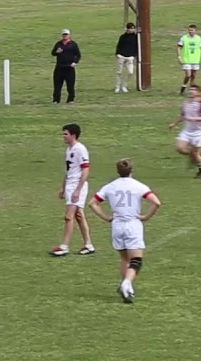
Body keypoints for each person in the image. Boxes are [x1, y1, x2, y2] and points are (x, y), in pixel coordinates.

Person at [88, 159, 162, 303]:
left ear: (118, 171)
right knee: (136, 260)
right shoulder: (139, 186)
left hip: (117, 225)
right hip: (133, 225)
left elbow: (93, 203)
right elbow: (156, 202)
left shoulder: (110, 186)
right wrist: (146, 216)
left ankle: (127, 288)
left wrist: (106, 217)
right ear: (132, 170)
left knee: (124, 258)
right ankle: (126, 284)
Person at [51, 123, 95, 256]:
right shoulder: (69, 150)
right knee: (79, 215)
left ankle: (64, 246)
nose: (63, 136)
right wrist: (63, 187)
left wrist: (78, 190)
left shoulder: (80, 149)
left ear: (73, 135)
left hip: (77, 185)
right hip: (70, 185)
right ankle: (88, 245)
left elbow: (86, 169)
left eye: (65, 134)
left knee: (68, 216)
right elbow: (68, 170)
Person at [169, 85, 201, 177]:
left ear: (198, 93)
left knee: (195, 153)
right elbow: (183, 115)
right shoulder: (185, 103)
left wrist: (194, 118)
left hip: (198, 132)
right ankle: (194, 157)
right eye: (190, 90)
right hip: (187, 130)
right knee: (180, 149)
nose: (191, 91)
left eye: (193, 90)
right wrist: (174, 124)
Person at [51, 29, 81, 104]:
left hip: (69, 68)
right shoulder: (58, 44)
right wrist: (56, 52)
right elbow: (53, 53)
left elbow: (78, 55)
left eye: (66, 34)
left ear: (69, 35)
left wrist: (75, 62)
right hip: (59, 67)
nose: (65, 36)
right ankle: (56, 100)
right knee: (57, 85)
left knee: (70, 85)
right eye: (64, 35)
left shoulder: (73, 44)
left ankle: (71, 99)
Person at [115, 22, 138, 93]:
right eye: (131, 28)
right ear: (128, 29)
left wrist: (134, 55)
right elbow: (119, 45)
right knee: (119, 72)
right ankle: (117, 87)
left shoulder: (136, 37)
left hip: (130, 57)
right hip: (121, 56)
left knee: (130, 72)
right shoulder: (123, 37)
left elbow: (137, 46)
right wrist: (118, 54)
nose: (133, 30)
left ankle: (124, 85)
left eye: (133, 28)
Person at [179, 24, 201, 94]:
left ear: (195, 31)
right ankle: (183, 86)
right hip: (186, 60)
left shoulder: (198, 39)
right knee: (188, 75)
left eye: (192, 30)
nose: (190, 31)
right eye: (189, 30)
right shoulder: (184, 38)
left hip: (195, 60)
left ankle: (192, 91)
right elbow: (179, 47)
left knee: (193, 76)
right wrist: (179, 56)